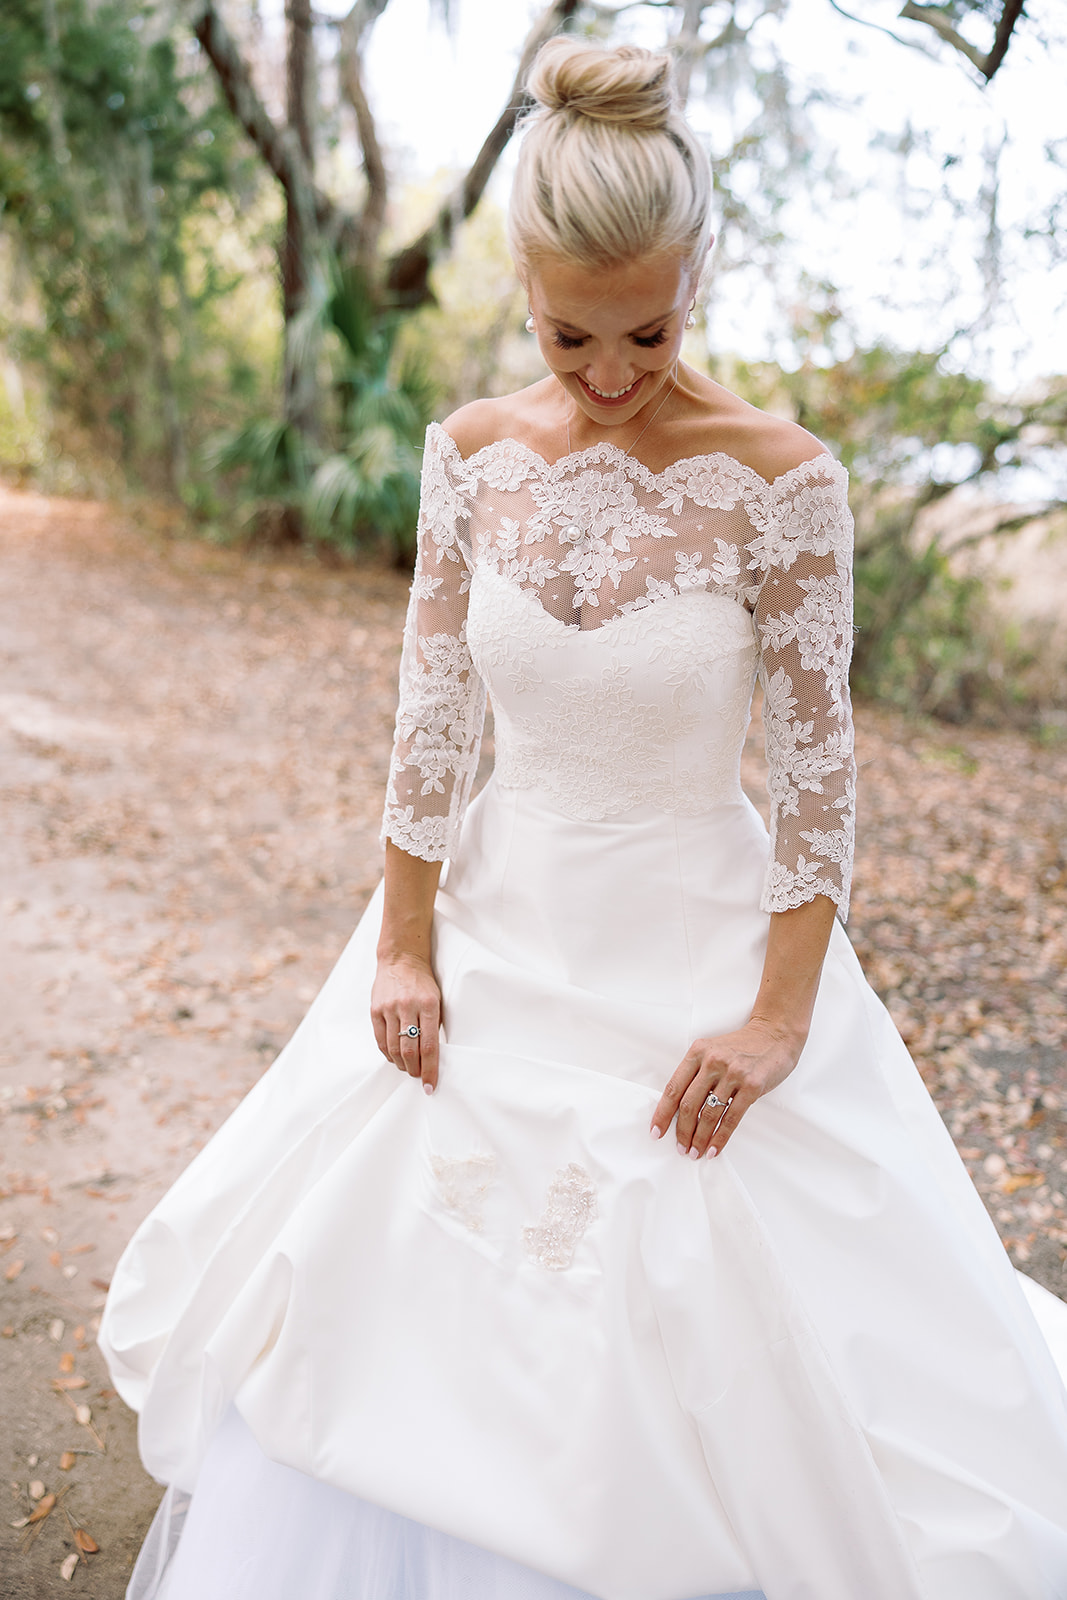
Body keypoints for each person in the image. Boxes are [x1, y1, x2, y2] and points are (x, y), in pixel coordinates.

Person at [100, 37, 1067, 1600]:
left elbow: (820, 782)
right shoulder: (472, 458)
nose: (612, 377)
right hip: (491, 918)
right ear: (522, 286)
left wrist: (774, 1023)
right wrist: (402, 951)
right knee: (378, 1296)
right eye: (568, 337)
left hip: (691, 935)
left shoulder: (786, 482)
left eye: (649, 332)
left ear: (696, 276)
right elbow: (433, 720)